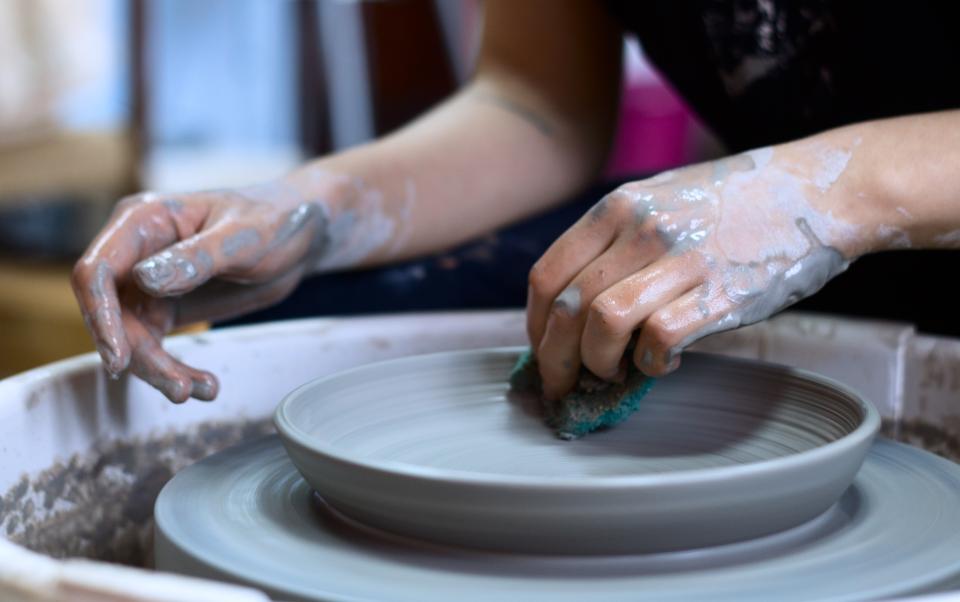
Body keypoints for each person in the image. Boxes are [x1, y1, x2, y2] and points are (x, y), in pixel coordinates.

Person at [73, 0, 960, 403]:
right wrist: (312, 212)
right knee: (316, 320)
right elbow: (536, 101)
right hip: (780, 246)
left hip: (896, 225)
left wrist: (823, 196)